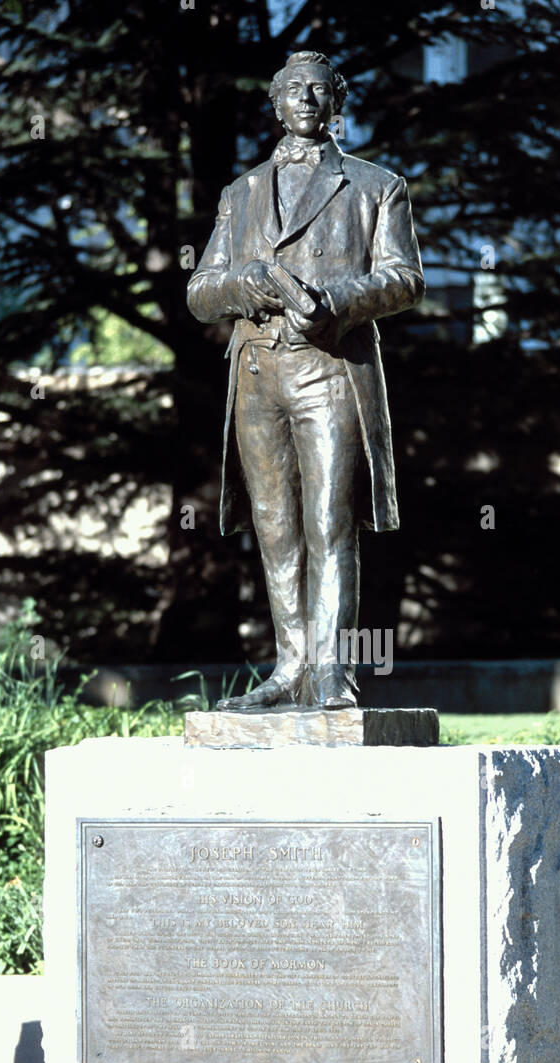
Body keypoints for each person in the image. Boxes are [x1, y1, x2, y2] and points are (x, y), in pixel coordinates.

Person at [187, 50, 424, 709]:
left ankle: (329, 672)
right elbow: (200, 292)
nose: (307, 100)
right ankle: (289, 667)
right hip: (259, 374)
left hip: (329, 369)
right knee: (275, 524)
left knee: (328, 520)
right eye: (295, 90)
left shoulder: (377, 186)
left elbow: (406, 279)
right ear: (275, 102)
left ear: (336, 103)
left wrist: (336, 302)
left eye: (320, 90)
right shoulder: (240, 193)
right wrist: (247, 281)